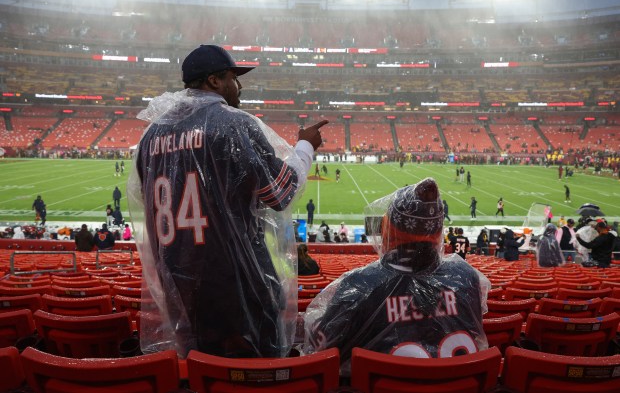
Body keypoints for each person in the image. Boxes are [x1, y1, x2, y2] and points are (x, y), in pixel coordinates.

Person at [128, 44, 327, 359]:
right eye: (234, 77)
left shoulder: (152, 135)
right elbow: (279, 193)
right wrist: (305, 146)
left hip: (180, 284)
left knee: (202, 371)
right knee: (255, 370)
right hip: (236, 284)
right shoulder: (233, 123)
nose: (240, 85)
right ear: (213, 81)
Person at [303, 178, 490, 375]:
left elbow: (319, 351)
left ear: (388, 229)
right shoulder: (466, 277)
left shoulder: (360, 286)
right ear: (438, 232)